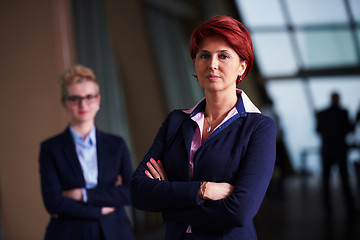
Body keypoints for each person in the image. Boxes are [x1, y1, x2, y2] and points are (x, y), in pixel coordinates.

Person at [131, 15, 276, 240]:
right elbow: (138, 191)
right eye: (204, 56)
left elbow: (239, 212)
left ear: (242, 66)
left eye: (224, 56)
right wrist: (202, 190)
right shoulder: (176, 122)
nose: (212, 65)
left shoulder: (259, 128)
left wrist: (169, 200)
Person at [39, 64, 134, 240]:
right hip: (69, 233)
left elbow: (130, 192)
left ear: (98, 100)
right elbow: (53, 202)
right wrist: (100, 208)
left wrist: (81, 195)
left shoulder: (117, 145)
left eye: (89, 97)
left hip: (116, 231)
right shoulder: (50, 148)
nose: (83, 104)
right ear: (65, 103)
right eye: (74, 98)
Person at [316, 92, 355, 218]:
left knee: (326, 181)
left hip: (327, 150)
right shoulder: (343, 113)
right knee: (344, 179)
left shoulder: (322, 114)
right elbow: (349, 129)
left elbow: (318, 130)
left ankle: (327, 208)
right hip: (340, 150)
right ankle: (349, 207)